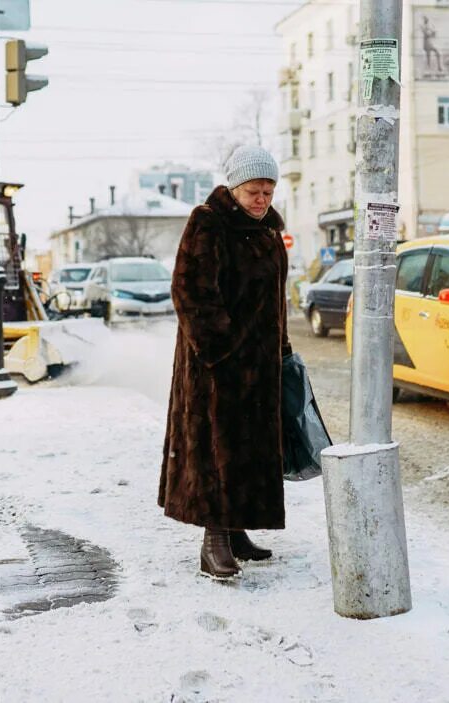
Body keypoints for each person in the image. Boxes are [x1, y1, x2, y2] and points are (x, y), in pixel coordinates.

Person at [159, 146, 291, 581]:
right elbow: (190, 291)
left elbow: (275, 300)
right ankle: (213, 540)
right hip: (217, 367)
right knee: (218, 448)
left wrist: (282, 348)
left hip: (261, 365)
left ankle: (236, 531)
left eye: (268, 192)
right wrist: (222, 350)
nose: (262, 200)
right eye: (254, 191)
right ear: (234, 188)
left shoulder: (270, 231)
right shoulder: (209, 223)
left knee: (250, 448)